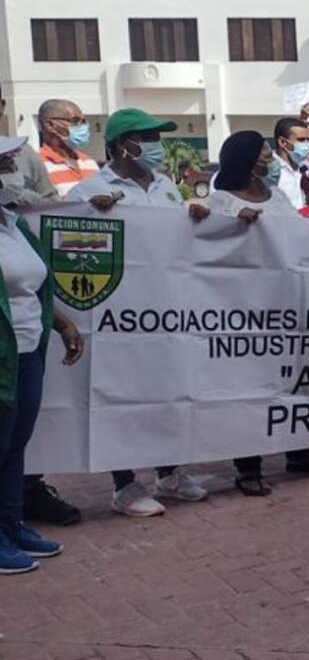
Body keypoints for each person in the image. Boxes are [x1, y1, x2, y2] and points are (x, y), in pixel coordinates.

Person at [68, 109, 212, 515]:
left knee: (165, 390)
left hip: (165, 309)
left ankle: (168, 474)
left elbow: (176, 242)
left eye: (156, 136)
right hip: (117, 316)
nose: (155, 145)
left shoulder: (165, 186)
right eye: (146, 137)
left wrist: (193, 217)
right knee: (118, 396)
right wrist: (90, 218)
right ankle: (124, 484)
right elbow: (71, 244)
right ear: (120, 144)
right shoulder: (88, 190)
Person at [204, 130, 309, 493]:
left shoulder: (277, 196)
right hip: (243, 311)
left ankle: (299, 453)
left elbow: (295, 238)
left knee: (294, 381)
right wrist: (232, 225)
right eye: (264, 154)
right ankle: (248, 467)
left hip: (287, 306)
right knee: (249, 389)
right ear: (246, 161)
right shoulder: (221, 201)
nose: (269, 160)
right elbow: (204, 247)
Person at [0, 204, 84, 573]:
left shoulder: (14, 224)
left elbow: (36, 285)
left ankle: (11, 525)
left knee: (16, 443)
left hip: (28, 349)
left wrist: (62, 324)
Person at [37, 99, 99, 197]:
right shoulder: (38, 164)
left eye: (83, 122)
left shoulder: (89, 162)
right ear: (50, 125)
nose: (82, 127)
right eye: (75, 121)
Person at [271, 117, 309, 211]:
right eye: (301, 140)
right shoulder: (269, 170)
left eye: (307, 140)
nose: (306, 144)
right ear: (283, 142)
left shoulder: (303, 166)